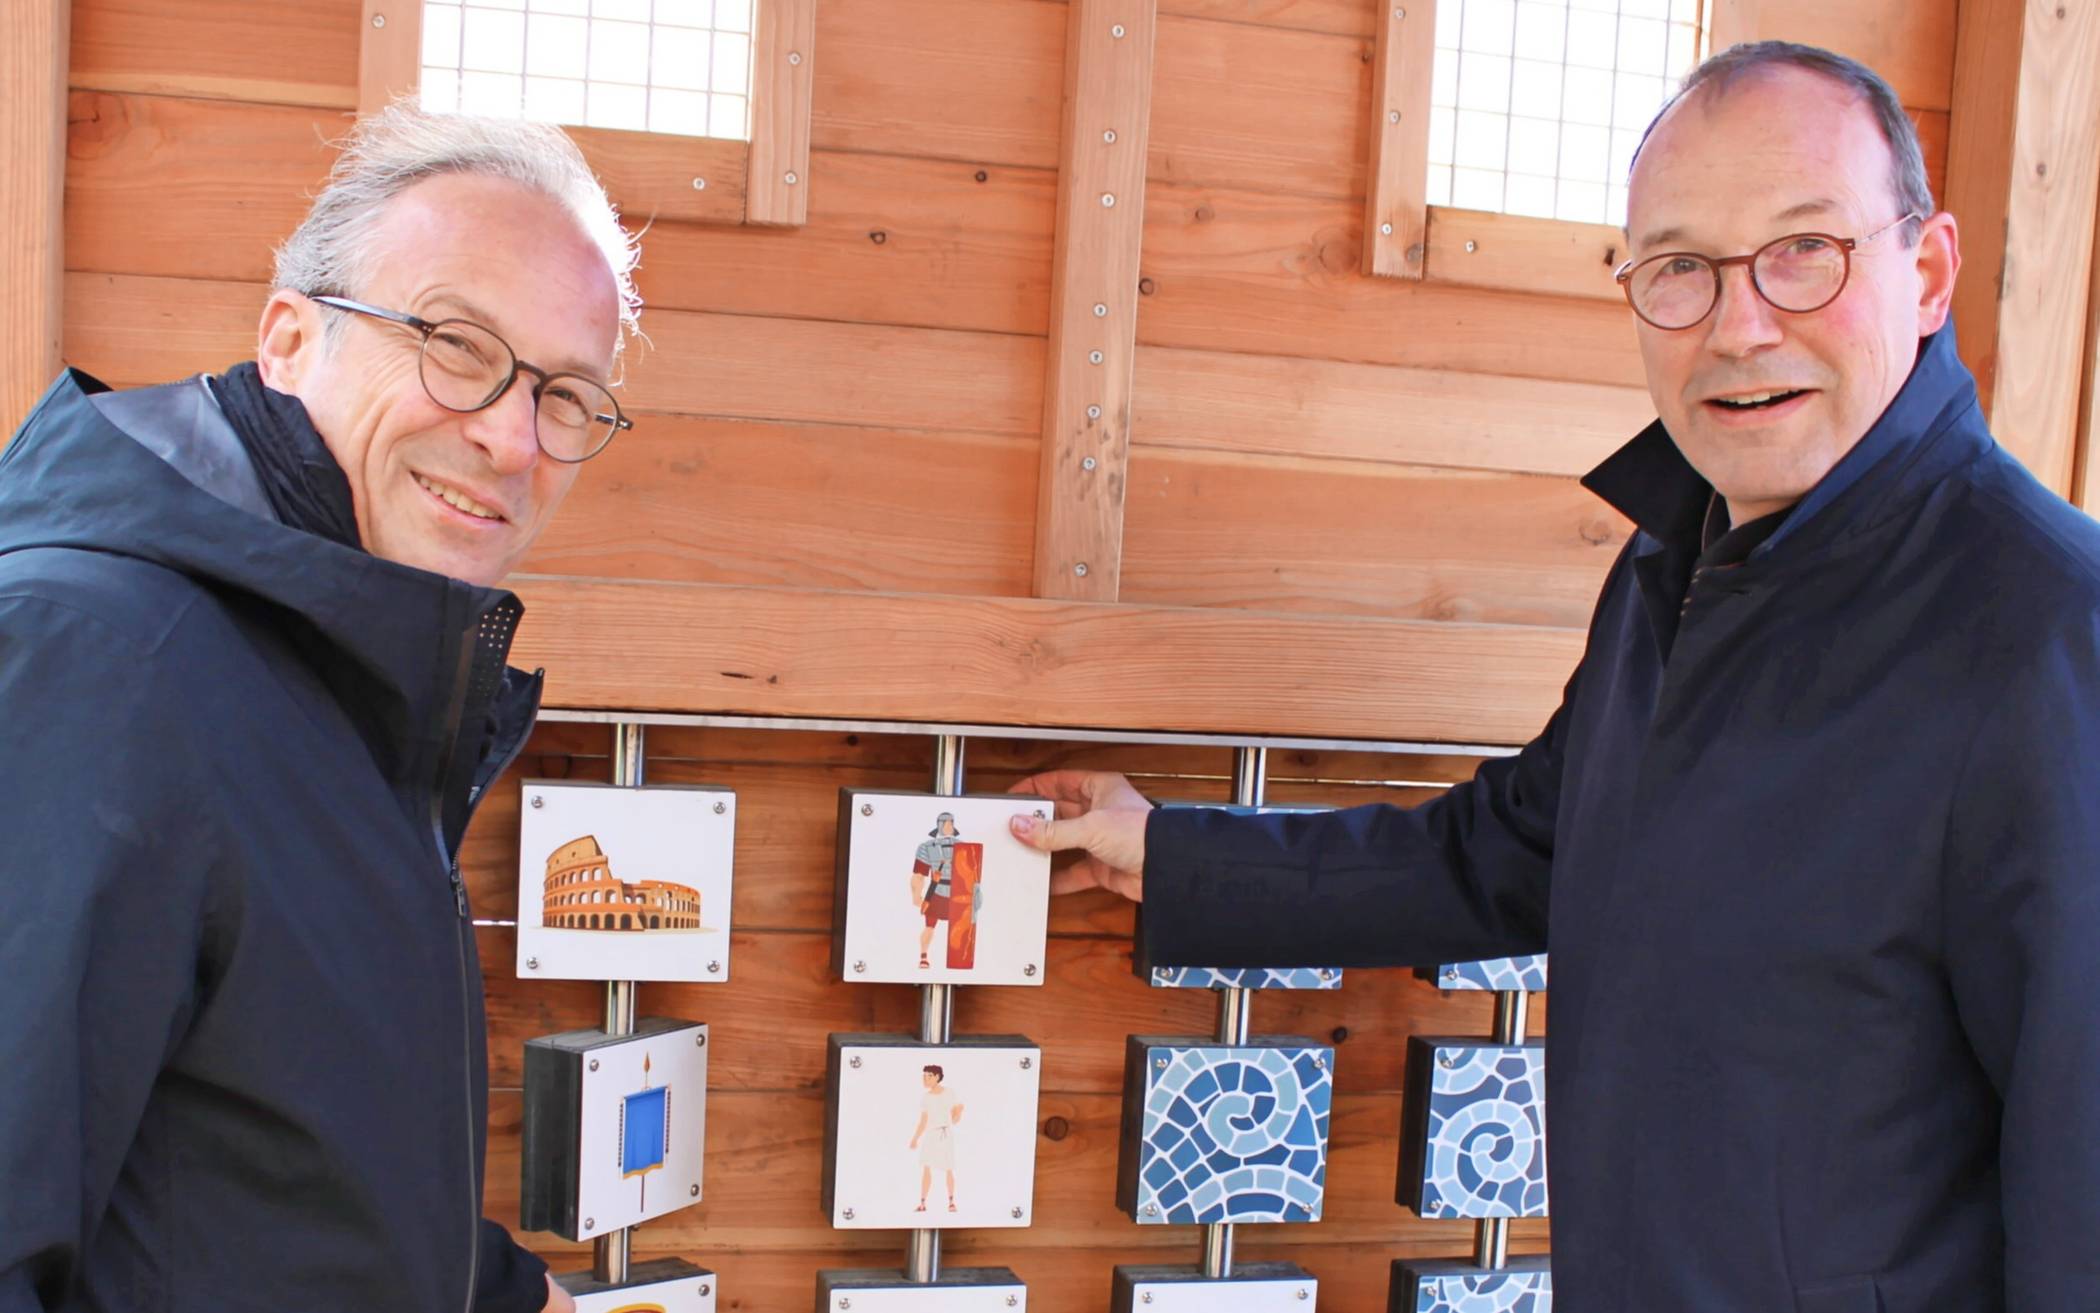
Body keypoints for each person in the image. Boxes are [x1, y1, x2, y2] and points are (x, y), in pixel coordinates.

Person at [1010, 42, 2100, 1310]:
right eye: (1681, 268)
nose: (1741, 325)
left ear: (1927, 270)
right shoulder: (1679, 555)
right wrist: (1175, 854)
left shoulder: (2047, 629)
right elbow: (1512, 850)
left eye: (1806, 250)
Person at [0, 104, 643, 1312]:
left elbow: (277, 1159)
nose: (509, 434)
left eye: (566, 395)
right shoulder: (93, 654)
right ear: (289, 336)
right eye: (457, 343)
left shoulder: (347, 666)